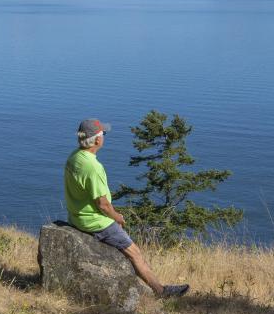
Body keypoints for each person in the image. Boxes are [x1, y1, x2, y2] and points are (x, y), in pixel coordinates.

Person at [64, 118, 189, 298]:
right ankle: (160, 291)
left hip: (76, 217)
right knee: (134, 252)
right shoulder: (93, 167)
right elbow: (103, 205)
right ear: (97, 140)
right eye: (103, 134)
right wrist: (117, 218)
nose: (104, 137)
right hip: (95, 222)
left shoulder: (74, 157)